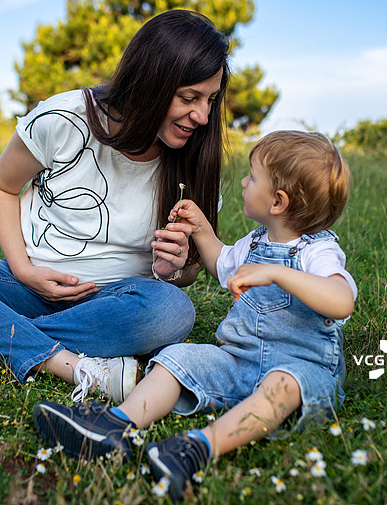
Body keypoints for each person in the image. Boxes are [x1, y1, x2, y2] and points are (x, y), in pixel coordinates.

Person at [0, 9, 230, 403]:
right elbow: (1, 187)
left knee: (171, 311)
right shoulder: (64, 118)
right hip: (26, 286)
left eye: (210, 100)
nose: (201, 116)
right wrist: (24, 270)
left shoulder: (197, 159)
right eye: (189, 98)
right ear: (151, 81)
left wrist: (174, 269)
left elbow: (187, 275)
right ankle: (67, 363)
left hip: (116, 300)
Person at [32, 130, 356, 501]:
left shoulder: (318, 250)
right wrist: (201, 229)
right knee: (175, 358)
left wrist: (279, 273)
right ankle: (116, 424)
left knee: (281, 387)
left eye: (252, 177)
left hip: (300, 367)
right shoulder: (256, 241)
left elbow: (340, 299)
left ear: (278, 201)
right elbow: (221, 264)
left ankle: (196, 448)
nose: (243, 182)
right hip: (239, 360)